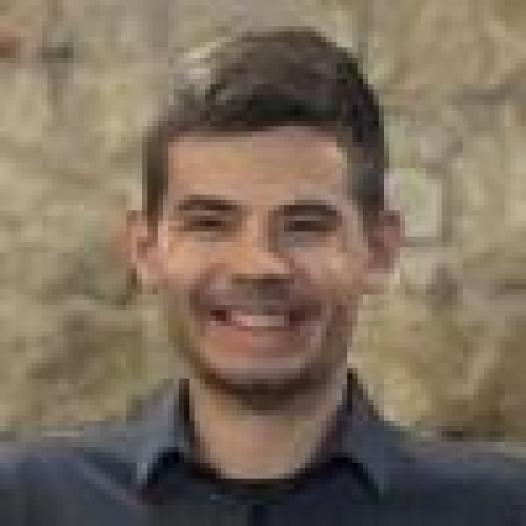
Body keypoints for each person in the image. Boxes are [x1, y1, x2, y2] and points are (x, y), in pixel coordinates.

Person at [1, 26, 524, 526]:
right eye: (210, 223)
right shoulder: (27, 502)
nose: (259, 265)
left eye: (305, 226)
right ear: (145, 250)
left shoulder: (502, 510)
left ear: (379, 250)